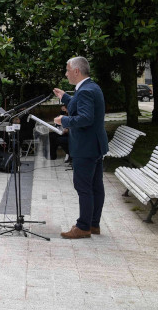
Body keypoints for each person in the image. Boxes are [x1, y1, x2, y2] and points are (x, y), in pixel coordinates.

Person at [53, 56, 109, 239]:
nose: (66, 73)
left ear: (76, 71)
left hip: (85, 147)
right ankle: (93, 224)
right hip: (94, 145)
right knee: (95, 186)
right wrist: (65, 97)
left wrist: (64, 120)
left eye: (67, 69)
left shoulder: (85, 91)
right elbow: (82, 108)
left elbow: (85, 118)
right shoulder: (91, 87)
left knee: (83, 186)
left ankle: (83, 226)